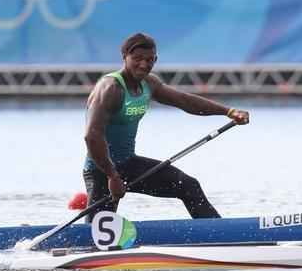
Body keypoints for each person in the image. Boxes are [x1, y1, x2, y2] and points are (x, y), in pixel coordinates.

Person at [83, 32, 250, 219]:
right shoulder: (110, 88)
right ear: (124, 57)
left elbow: (185, 101)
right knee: (97, 231)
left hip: (128, 164)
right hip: (101, 170)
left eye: (149, 59)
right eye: (137, 59)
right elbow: (92, 136)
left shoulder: (149, 83)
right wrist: (112, 176)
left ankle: (219, 235)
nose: (144, 64)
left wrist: (228, 111)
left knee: (187, 185)